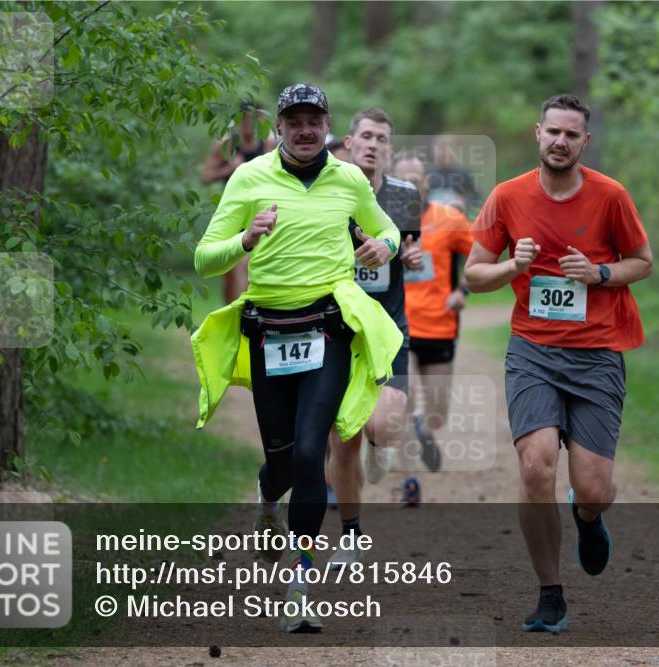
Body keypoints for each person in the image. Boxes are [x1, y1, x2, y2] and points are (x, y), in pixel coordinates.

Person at [192, 83, 402, 633]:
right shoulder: (248, 177)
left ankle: (301, 585)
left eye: (314, 119)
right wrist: (244, 240)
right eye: (294, 121)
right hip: (269, 332)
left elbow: (386, 228)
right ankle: (267, 498)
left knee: (313, 454)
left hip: (326, 329)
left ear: (328, 123)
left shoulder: (349, 179)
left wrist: (386, 245)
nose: (305, 130)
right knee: (282, 463)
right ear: (279, 127)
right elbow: (203, 259)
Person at [464, 94, 653, 634]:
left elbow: (643, 261)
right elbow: (475, 275)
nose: (560, 142)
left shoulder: (611, 196)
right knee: (535, 464)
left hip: (596, 354)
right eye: (553, 132)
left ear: (584, 142)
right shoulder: (507, 197)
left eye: (572, 134)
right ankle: (550, 593)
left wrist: (599, 275)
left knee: (594, 488)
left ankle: (587, 515)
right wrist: (510, 266)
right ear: (537, 133)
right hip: (534, 352)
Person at [327, 107, 430, 570]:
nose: (372, 144)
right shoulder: (328, 191)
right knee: (340, 442)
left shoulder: (406, 195)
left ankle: (380, 443)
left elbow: (412, 248)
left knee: (382, 426)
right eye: (365, 136)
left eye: (381, 138)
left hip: (387, 329)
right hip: (334, 331)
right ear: (348, 142)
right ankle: (350, 537)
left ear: (390, 147)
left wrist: (410, 257)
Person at [393, 152, 474, 460]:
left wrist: (462, 290)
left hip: (439, 323)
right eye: (400, 181)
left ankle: (423, 428)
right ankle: (409, 474)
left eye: (413, 181)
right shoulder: (380, 221)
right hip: (397, 324)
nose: (407, 187)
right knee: (404, 397)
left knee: (438, 412)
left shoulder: (449, 219)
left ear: (426, 183)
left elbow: (482, 254)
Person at [200, 101, 277, 305]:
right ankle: (231, 311)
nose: (249, 125)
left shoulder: (268, 143)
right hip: (233, 212)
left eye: (254, 119)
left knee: (250, 264)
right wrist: (231, 169)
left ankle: (249, 310)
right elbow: (206, 176)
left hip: (258, 212)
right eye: (244, 119)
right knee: (231, 270)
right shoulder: (226, 143)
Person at [426, 134, 480, 213]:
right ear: (433, 150)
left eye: (447, 148)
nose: (443, 153)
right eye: (440, 148)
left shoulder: (463, 173)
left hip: (455, 219)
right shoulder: (426, 172)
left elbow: (476, 197)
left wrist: (464, 202)